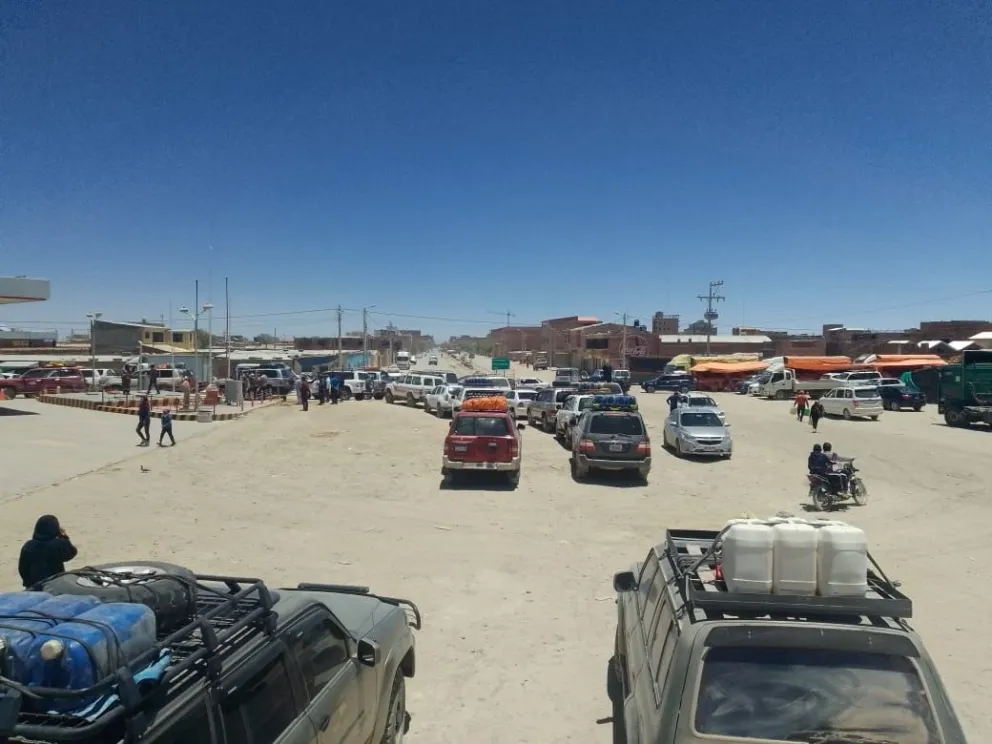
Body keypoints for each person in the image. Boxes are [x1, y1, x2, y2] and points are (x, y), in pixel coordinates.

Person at [18, 515, 78, 588]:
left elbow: (22, 569)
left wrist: (27, 583)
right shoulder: (59, 544)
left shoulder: (28, 546)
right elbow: (72, 552)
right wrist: (64, 536)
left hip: (34, 586)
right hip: (55, 584)